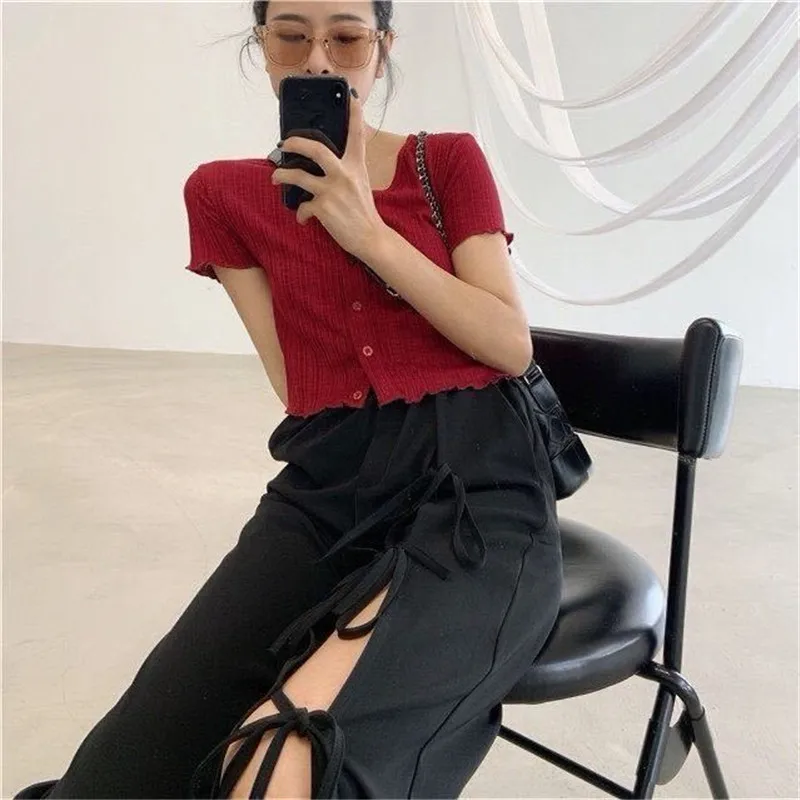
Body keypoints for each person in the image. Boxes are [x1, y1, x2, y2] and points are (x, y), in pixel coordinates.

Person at [14, 1, 562, 797]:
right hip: (327, 486)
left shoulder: (446, 162)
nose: (318, 62)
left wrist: (366, 233)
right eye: (292, 36)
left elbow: (510, 344)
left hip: (477, 488)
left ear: (382, 49)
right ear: (261, 46)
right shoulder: (222, 194)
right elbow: (296, 384)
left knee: (288, 767)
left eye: (346, 38)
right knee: (119, 773)